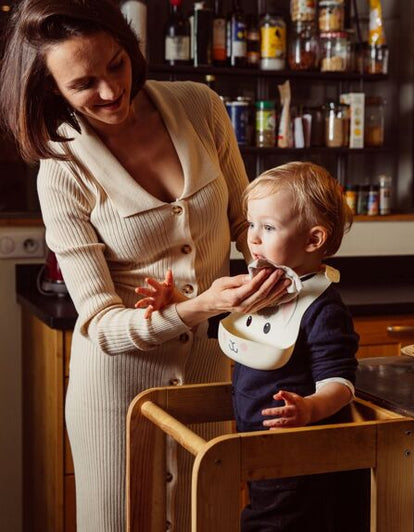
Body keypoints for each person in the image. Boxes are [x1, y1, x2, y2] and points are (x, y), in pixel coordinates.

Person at [0, 1, 289, 530]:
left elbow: (250, 222)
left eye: (116, 64)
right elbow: (100, 323)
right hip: (117, 399)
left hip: (209, 376)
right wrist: (199, 306)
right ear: (51, 91)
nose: (111, 91)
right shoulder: (61, 170)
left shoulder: (200, 106)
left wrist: (271, 268)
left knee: (211, 518)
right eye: (84, 84)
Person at [138, 161, 362, 531]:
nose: (253, 238)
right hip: (254, 442)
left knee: (272, 523)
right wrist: (176, 301)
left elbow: (341, 383)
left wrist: (308, 408)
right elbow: (221, 324)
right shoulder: (263, 286)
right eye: (251, 223)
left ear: (314, 239)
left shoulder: (323, 308)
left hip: (296, 450)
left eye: (268, 227)